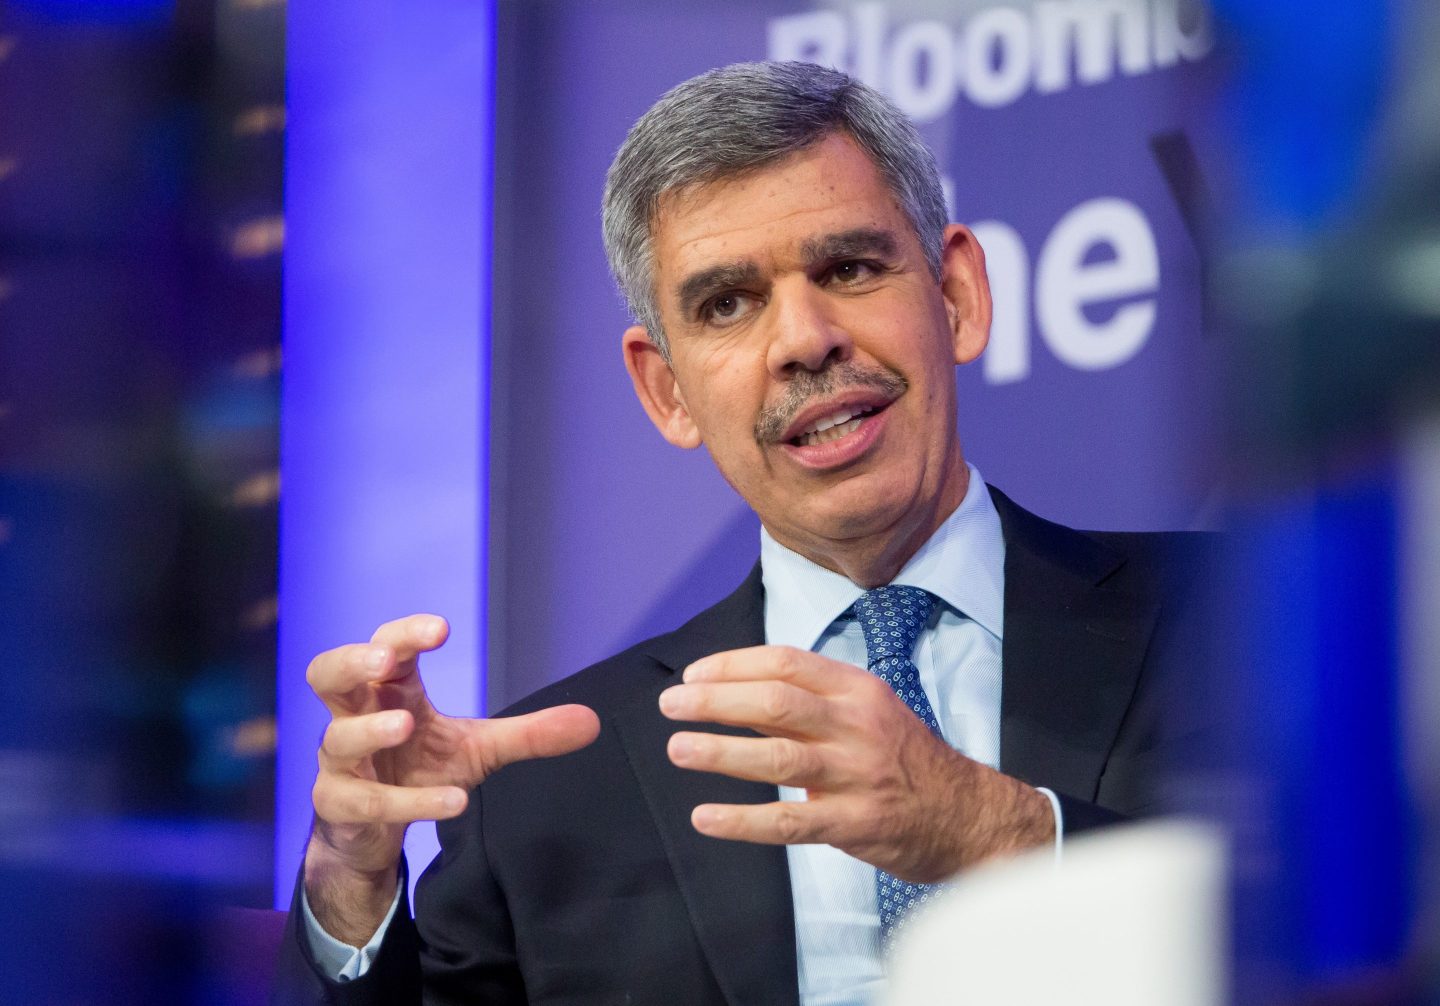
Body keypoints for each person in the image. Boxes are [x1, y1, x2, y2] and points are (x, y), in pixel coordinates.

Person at [273, 60, 1209, 1005]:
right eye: (727, 304)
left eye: (848, 267)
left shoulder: (1239, 627)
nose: (804, 339)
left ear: (957, 294)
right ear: (666, 389)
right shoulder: (547, 786)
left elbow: (1339, 922)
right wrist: (349, 883)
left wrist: (999, 831)